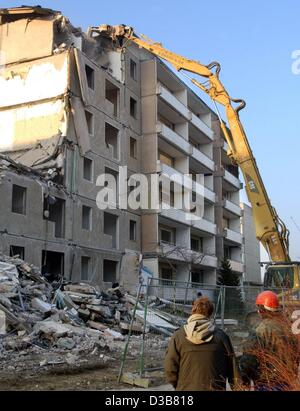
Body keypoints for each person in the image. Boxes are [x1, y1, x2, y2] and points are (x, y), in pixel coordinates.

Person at [164, 296, 238, 391]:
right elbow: (233, 368)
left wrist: (177, 385)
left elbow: (170, 367)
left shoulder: (178, 336)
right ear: (210, 313)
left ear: (193, 311)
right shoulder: (221, 336)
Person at [240, 290, 299, 391]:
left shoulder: (262, 330)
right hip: (288, 379)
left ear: (262, 310)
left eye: (258, 308)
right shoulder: (289, 327)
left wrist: (245, 380)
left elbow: (249, 360)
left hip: (268, 383)